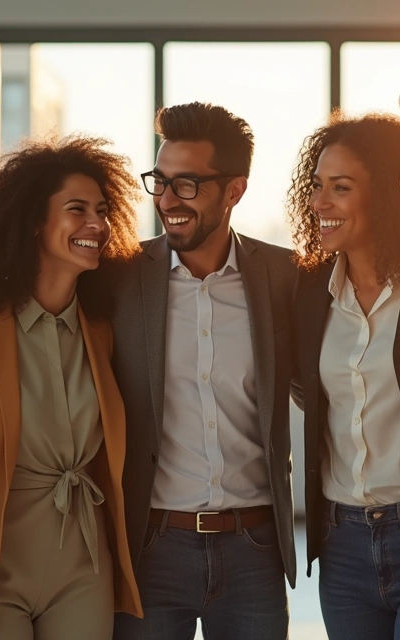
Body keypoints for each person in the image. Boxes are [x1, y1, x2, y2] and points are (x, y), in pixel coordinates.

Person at [0, 134, 144, 640]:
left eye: (103, 211)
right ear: (34, 221)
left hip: (83, 566)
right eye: (77, 209)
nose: (97, 224)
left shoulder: (104, 330)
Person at [106, 102, 297, 640]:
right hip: (152, 548)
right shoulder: (119, 278)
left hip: (254, 550)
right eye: (161, 181)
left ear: (234, 190)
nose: (167, 200)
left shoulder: (283, 276)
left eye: (187, 184)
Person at [286, 111, 400, 640]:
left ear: (387, 195)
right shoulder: (308, 291)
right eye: (317, 186)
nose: (320, 202)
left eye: (341, 188)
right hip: (341, 545)